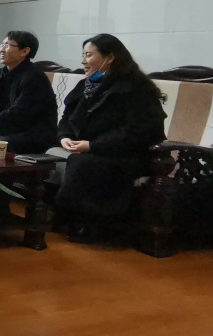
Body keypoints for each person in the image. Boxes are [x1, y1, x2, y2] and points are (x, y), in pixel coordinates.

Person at [52, 34, 166, 243]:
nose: (83, 61)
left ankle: (86, 223)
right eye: (83, 55)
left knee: (81, 163)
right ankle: (64, 217)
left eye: (88, 55)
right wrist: (64, 137)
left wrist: (93, 145)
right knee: (51, 152)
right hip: (91, 148)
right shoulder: (88, 84)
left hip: (127, 154)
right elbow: (67, 118)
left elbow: (140, 131)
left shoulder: (136, 88)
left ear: (110, 57)